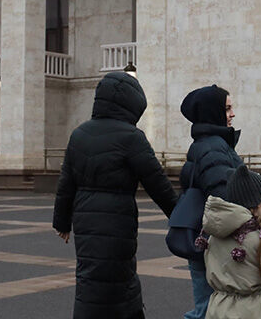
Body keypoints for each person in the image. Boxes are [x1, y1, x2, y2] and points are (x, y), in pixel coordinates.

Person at [52, 72, 178, 319]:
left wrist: (62, 222)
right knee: (118, 277)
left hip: (85, 220)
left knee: (90, 274)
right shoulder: (131, 137)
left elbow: (66, 183)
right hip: (117, 219)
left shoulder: (79, 134)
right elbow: (158, 184)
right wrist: (180, 216)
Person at [178, 86, 242, 319]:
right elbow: (223, 197)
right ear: (212, 112)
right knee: (208, 311)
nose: (232, 114)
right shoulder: (213, 147)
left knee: (207, 308)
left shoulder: (208, 144)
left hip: (203, 240)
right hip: (212, 245)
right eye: (227, 108)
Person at [202, 166, 261, 319]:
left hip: (219, 308)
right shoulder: (257, 238)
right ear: (257, 204)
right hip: (254, 310)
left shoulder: (216, 233)